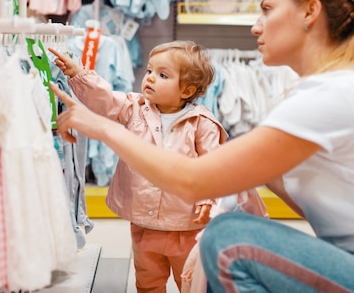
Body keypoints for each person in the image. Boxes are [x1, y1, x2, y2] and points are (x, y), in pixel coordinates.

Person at [49, 0, 354, 292]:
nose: (257, 26)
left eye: (267, 9)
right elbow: (259, 185)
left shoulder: (334, 96)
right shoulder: (338, 88)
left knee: (231, 238)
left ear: (310, 12)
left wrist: (102, 126)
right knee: (230, 227)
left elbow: (193, 181)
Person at [48, 41, 248, 293]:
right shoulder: (135, 108)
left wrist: (208, 198)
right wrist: (78, 74)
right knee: (148, 281)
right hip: (145, 225)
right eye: (150, 71)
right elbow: (106, 99)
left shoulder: (201, 122)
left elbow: (214, 166)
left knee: (190, 280)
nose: (150, 79)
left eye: (162, 75)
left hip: (186, 225)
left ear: (187, 90)